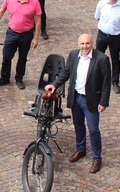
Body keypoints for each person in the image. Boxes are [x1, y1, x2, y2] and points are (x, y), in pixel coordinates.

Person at [44, 33, 111, 174]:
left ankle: (97, 158)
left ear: (91, 43)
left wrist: (103, 102)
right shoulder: (74, 55)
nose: (85, 46)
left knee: (93, 129)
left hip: (91, 100)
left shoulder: (102, 59)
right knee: (78, 124)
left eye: (87, 43)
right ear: (78, 44)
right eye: (82, 44)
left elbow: (106, 83)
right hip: (76, 98)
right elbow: (66, 73)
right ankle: (81, 149)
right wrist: (54, 85)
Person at [0, 0, 41, 90]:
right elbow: (1, 11)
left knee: (22, 58)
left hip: (26, 34)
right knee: (6, 56)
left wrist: (36, 38)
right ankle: (4, 77)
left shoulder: (35, 2)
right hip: (12, 33)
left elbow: (38, 20)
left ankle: (19, 78)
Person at [94, 0, 120, 95]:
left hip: (115, 37)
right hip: (102, 35)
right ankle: (97, 80)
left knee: (115, 60)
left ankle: (115, 82)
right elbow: (97, 17)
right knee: (98, 58)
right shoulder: (101, 3)